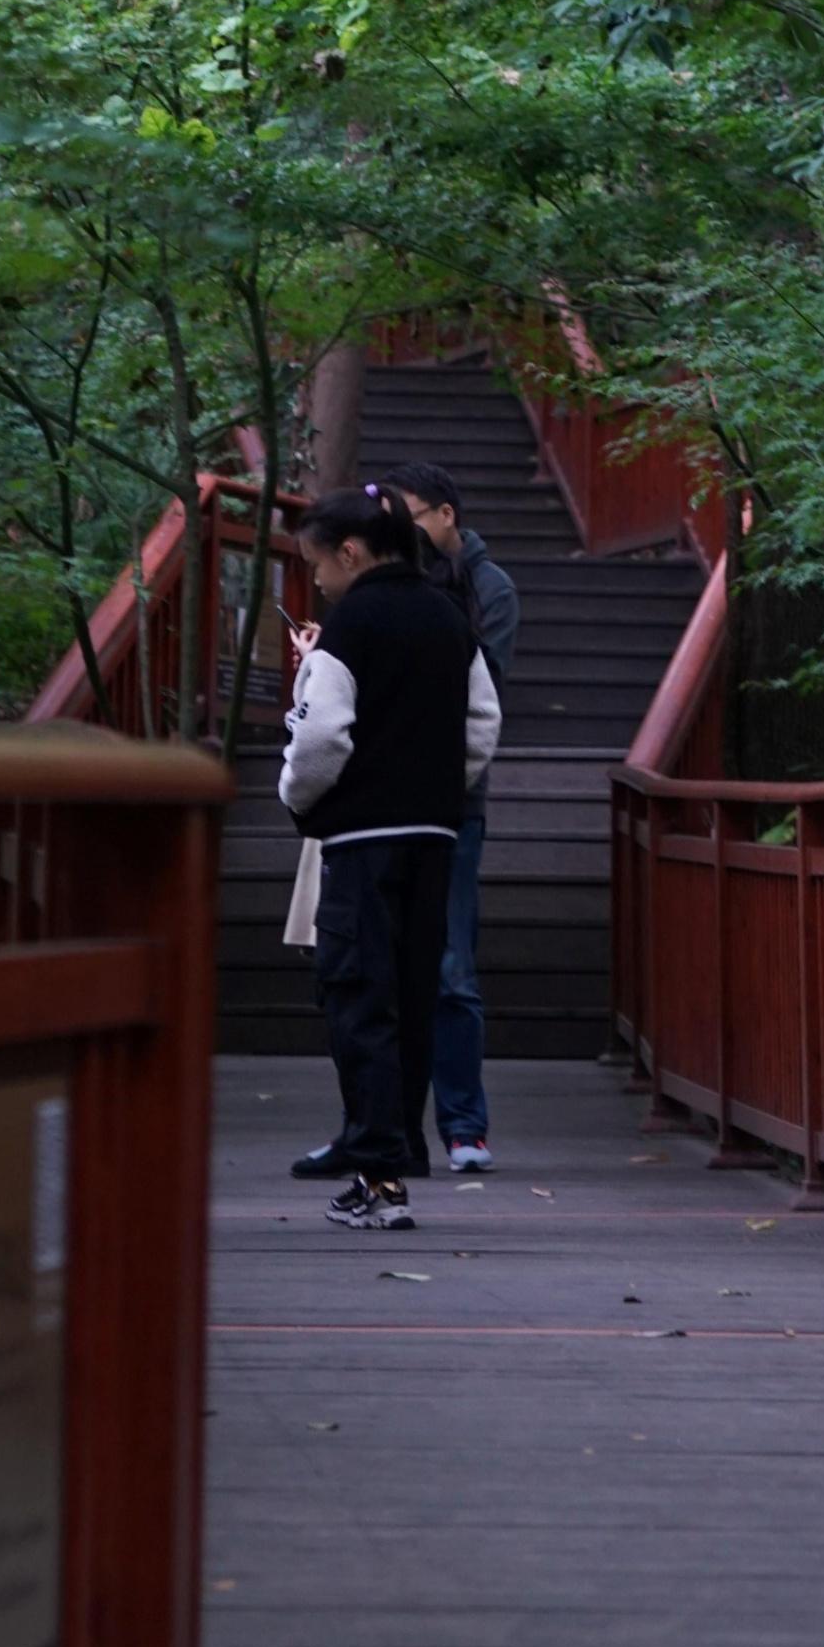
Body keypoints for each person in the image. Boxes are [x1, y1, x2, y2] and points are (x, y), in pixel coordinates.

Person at [276, 484, 500, 1225]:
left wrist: (302, 801)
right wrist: (437, 788)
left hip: (362, 838)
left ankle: (378, 1174)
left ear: (350, 552)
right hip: (433, 836)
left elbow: (318, 739)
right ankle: (394, 1158)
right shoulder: (449, 618)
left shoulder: (351, 625)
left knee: (357, 996)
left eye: (318, 564)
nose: (317, 581)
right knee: (409, 996)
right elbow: (481, 723)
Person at [380, 453, 518, 1176]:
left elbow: (479, 701)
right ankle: (387, 1129)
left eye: (409, 512)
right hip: (380, 801)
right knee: (377, 967)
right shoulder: (380, 581)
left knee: (449, 967)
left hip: (454, 801)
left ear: (443, 516)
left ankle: (463, 1124)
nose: (397, 526)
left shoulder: (488, 590)